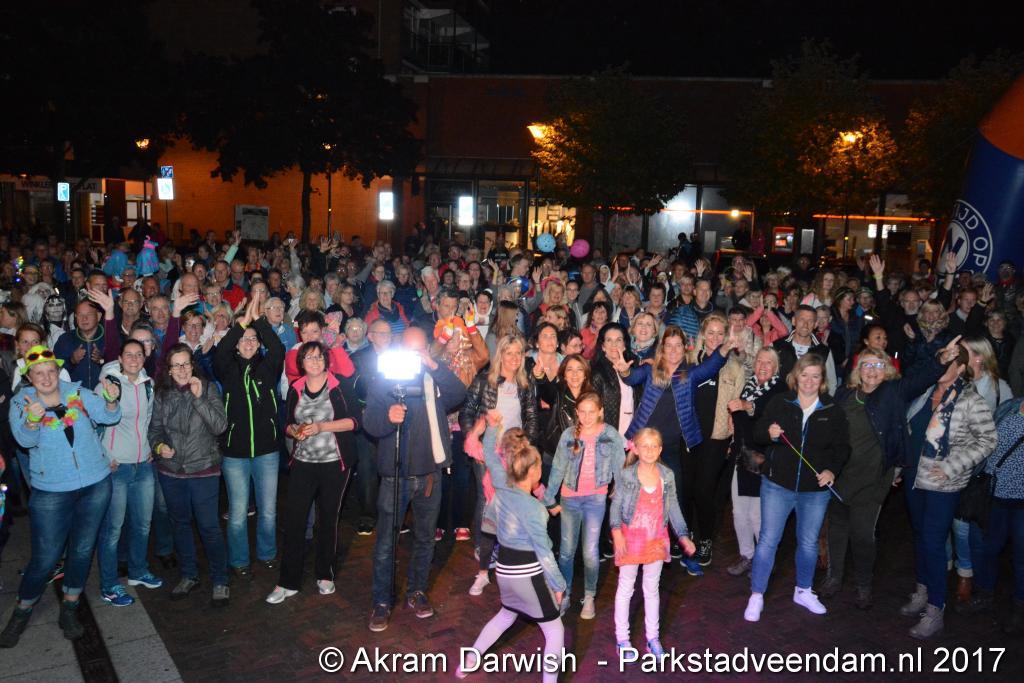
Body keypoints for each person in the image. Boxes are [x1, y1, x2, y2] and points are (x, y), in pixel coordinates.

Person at [0, 346, 121, 647]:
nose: (46, 378)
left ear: (58, 371)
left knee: (82, 550)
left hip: (95, 484)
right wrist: (32, 420)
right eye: (38, 373)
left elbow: (110, 416)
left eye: (50, 371)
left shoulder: (78, 393)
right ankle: (22, 610)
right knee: (46, 557)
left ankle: (70, 606)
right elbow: (23, 440)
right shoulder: (21, 402)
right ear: (29, 377)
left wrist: (110, 400)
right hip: (51, 491)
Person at [822, 340, 957, 609]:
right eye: (867, 365)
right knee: (836, 530)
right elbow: (829, 428)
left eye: (878, 365)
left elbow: (920, 380)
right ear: (858, 369)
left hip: (873, 478)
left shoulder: (893, 391)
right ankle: (833, 577)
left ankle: (864, 585)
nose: (872, 370)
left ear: (887, 370)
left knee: (862, 535)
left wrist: (941, 360)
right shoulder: (845, 394)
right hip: (840, 475)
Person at [614, 325, 742, 574]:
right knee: (635, 497)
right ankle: (635, 546)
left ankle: (681, 546)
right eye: (668, 346)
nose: (673, 350)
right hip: (645, 446)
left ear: (685, 348)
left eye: (678, 346)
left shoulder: (689, 374)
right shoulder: (651, 371)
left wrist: (726, 346)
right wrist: (624, 370)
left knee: (677, 497)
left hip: (672, 446)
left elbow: (711, 366)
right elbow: (632, 377)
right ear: (662, 349)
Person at [363, 327, 466, 632]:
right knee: (386, 541)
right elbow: (370, 423)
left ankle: (417, 590)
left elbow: (459, 393)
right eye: (411, 350)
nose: (416, 356)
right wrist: (388, 418)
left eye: (421, 350)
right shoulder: (385, 380)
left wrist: (433, 365)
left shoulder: (433, 378)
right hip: (395, 475)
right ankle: (381, 601)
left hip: (430, 473)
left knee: (425, 537)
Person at [456, 413, 566, 683]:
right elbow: (544, 553)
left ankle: (469, 662)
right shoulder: (535, 510)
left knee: (506, 615)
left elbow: (491, 458)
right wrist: (559, 585)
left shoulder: (502, 486)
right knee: (555, 631)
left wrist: (492, 428)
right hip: (527, 574)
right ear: (533, 472)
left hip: (504, 570)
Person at [899, 344, 997, 638]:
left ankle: (935, 608)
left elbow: (988, 440)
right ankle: (923, 589)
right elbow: (909, 432)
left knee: (933, 541)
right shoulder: (926, 392)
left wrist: (953, 466)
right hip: (914, 477)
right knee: (921, 536)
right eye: (941, 360)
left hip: (943, 483)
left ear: (962, 369)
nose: (942, 366)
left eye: (949, 362)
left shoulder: (969, 399)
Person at [746, 354, 850, 623]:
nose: (809, 381)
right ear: (796, 376)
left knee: (808, 543)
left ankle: (803, 590)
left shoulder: (832, 409)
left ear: (822, 380)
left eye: (815, 376)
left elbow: (842, 448)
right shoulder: (780, 401)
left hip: (814, 491)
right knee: (768, 541)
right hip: (777, 485)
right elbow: (757, 433)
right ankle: (757, 594)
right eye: (805, 375)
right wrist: (768, 434)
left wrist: (832, 471)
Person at [266, 341, 361, 603]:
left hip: (334, 462)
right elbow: (287, 424)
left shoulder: (339, 386)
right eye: (309, 357)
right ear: (301, 363)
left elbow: (355, 421)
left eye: (319, 357)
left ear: (326, 360)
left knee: (327, 519)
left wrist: (321, 427)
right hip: (303, 462)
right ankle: (287, 581)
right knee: (294, 520)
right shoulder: (296, 388)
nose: (315, 362)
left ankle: (325, 574)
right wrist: (294, 431)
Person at [149, 343, 231, 607]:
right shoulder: (162, 394)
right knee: (180, 524)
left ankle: (220, 579)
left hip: (203, 469)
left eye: (186, 363)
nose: (183, 370)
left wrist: (198, 398)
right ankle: (189, 574)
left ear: (193, 365)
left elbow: (220, 426)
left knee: (209, 526)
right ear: (169, 370)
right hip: (171, 471)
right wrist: (159, 447)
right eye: (177, 365)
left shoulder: (207, 388)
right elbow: (155, 430)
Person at [460, 335, 539, 596]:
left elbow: (531, 417)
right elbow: (466, 412)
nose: (514, 358)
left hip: (514, 453)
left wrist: (525, 446)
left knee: (513, 505)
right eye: (509, 352)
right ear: (500, 355)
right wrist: (474, 440)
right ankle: (482, 559)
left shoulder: (526, 384)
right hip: (487, 453)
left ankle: (508, 556)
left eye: (519, 353)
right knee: (487, 504)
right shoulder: (485, 380)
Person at [214, 294, 285, 579]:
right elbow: (221, 351)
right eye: (244, 339)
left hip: (267, 451)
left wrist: (258, 321)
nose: (248, 343)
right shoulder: (227, 368)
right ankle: (239, 559)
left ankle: (267, 553)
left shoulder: (268, 366)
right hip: (234, 453)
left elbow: (278, 348)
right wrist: (242, 324)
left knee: (268, 510)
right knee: (238, 512)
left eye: (254, 339)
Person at [610, 427, 694, 656]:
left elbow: (673, 507)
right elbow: (616, 506)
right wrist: (617, 533)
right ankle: (622, 639)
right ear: (636, 449)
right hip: (630, 539)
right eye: (644, 446)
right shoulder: (627, 475)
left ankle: (652, 638)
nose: (649, 450)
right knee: (626, 588)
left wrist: (683, 535)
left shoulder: (667, 476)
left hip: (656, 539)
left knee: (651, 589)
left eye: (654, 446)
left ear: (660, 449)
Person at [543, 392, 625, 618]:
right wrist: (549, 498)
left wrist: (621, 498)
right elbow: (558, 467)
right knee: (566, 552)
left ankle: (589, 596)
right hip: (569, 498)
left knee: (590, 552)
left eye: (592, 412)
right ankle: (565, 593)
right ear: (576, 413)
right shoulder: (569, 435)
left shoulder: (610, 435)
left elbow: (620, 469)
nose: (587, 417)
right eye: (582, 412)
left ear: (600, 411)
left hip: (595, 499)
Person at [95, 340, 163, 608]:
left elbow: (149, 421)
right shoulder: (108, 385)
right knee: (113, 529)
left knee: (143, 524)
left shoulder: (148, 385)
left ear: (144, 358)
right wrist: (104, 456)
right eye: (129, 355)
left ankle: (138, 570)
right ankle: (109, 584)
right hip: (117, 467)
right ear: (120, 359)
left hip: (143, 465)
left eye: (138, 355)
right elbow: (92, 422)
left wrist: (151, 448)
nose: (134, 359)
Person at [959, 395, 1024, 634]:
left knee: (1021, 557)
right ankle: (985, 595)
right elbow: (988, 443)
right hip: (995, 495)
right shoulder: (1010, 407)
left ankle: (1019, 608)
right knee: (989, 549)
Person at [688, 312, 747, 567]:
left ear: (726, 337)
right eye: (710, 332)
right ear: (702, 334)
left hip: (716, 437)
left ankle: (705, 539)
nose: (714, 337)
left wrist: (733, 437)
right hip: (689, 435)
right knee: (688, 488)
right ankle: (688, 535)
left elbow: (738, 406)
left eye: (719, 333)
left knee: (705, 489)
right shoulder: (690, 361)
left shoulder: (735, 368)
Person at [725, 347, 785, 577]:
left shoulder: (780, 390)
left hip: (763, 460)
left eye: (768, 362)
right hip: (742, 457)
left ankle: (764, 559)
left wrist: (747, 406)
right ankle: (747, 555)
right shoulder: (749, 386)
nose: (763, 366)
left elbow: (764, 411)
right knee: (739, 512)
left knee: (758, 515)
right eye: (759, 361)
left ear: (776, 368)